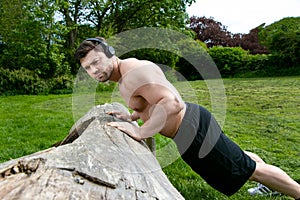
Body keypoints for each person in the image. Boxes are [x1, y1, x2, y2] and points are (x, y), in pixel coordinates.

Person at [75, 37, 300, 199]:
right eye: (88, 68)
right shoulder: (125, 74)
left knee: (248, 169)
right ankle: (272, 186)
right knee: (239, 160)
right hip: (189, 130)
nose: (94, 70)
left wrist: (141, 131)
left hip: (192, 130)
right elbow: (149, 101)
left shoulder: (133, 73)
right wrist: (132, 115)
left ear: (111, 54)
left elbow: (172, 103)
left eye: (97, 62)